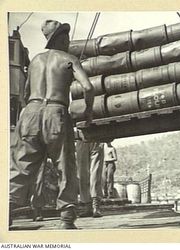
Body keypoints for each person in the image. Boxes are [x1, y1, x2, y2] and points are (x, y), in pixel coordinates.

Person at [9, 20, 94, 229]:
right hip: (56, 112)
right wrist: (88, 112)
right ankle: (66, 218)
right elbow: (88, 87)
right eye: (66, 37)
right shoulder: (69, 58)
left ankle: (6, 212)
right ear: (62, 38)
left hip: (30, 112)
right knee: (65, 165)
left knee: (20, 165)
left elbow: (27, 93)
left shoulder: (36, 60)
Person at [76, 140, 104, 218]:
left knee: (95, 173)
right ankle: (88, 207)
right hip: (81, 139)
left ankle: (96, 206)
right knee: (82, 174)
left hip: (96, 138)